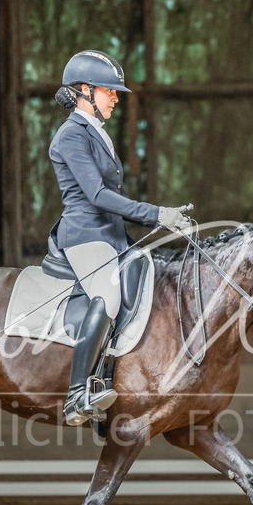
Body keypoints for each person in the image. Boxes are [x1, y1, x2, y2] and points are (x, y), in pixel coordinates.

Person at [49, 49, 192, 426]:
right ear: (84, 91)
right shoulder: (71, 136)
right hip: (84, 235)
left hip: (113, 236)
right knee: (108, 293)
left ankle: (111, 379)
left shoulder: (97, 134)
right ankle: (78, 394)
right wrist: (157, 214)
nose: (115, 97)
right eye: (108, 91)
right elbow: (97, 195)